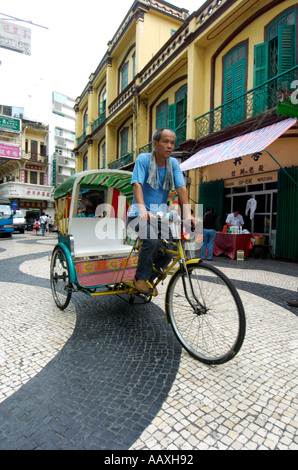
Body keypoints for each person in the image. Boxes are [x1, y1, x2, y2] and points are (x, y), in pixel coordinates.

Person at [127, 128, 195, 295]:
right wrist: (142, 209)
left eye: (172, 142)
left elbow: (181, 188)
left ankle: (149, 278)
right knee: (151, 241)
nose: (170, 146)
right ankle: (140, 279)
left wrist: (187, 214)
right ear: (155, 144)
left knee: (169, 250)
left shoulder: (173, 164)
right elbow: (137, 185)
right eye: (166, 142)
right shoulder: (143, 159)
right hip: (138, 215)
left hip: (159, 216)